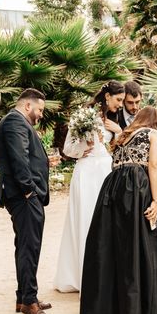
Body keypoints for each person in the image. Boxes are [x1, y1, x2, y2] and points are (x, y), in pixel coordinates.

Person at [80, 106, 157, 314]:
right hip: (137, 187)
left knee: (115, 245)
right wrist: (155, 200)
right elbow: (153, 166)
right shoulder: (154, 134)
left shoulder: (124, 136)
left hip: (113, 187)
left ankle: (113, 310)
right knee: (146, 242)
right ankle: (143, 309)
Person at [0, 88, 60, 314]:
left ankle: (24, 298)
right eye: (40, 110)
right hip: (24, 197)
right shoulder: (15, 123)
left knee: (26, 247)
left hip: (23, 196)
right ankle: (29, 302)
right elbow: (19, 160)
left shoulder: (18, 123)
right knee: (28, 249)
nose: (41, 114)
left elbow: (27, 157)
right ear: (27, 106)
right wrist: (29, 191)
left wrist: (44, 161)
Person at [53, 90, 115, 293]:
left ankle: (105, 274)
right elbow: (67, 149)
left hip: (106, 169)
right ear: (108, 97)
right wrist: (83, 148)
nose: (121, 104)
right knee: (85, 218)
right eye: (119, 99)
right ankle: (82, 276)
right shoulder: (83, 116)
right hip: (87, 171)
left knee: (106, 220)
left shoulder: (113, 119)